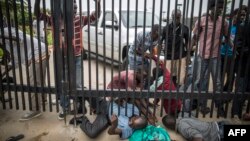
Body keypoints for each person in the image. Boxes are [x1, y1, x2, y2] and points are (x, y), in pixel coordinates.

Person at [58, 0, 101, 120]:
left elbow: (96, 15)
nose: (76, 9)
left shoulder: (79, 20)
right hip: (63, 57)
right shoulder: (58, 20)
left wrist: (97, 3)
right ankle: (65, 108)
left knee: (78, 84)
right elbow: (39, 15)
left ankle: (80, 106)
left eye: (76, 7)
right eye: (73, 7)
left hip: (77, 57)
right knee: (64, 84)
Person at [0, 27, 50, 121]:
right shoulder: (5, 44)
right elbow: (16, 59)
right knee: (39, 79)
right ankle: (43, 99)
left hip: (38, 51)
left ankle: (35, 110)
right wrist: (4, 72)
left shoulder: (5, 31)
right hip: (40, 50)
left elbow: (20, 39)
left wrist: (3, 37)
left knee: (33, 82)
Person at [192, 0, 228, 116]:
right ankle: (202, 105)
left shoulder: (223, 22)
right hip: (202, 56)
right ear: (212, 8)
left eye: (222, 8)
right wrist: (190, 48)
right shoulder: (202, 20)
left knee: (217, 82)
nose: (220, 10)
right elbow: (194, 35)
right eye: (218, 8)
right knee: (201, 80)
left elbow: (227, 36)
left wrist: (232, 46)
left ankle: (219, 105)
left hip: (215, 56)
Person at [79, 98, 148, 139]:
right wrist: (118, 100)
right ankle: (80, 106)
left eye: (133, 126)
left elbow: (110, 132)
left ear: (136, 129)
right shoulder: (135, 110)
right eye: (132, 120)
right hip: (106, 104)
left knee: (92, 133)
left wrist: (114, 125)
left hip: (105, 118)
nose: (130, 123)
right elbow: (122, 102)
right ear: (136, 116)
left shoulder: (128, 131)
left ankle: (82, 119)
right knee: (85, 91)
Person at [161, 9, 189, 87]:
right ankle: (170, 92)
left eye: (178, 17)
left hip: (181, 56)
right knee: (168, 76)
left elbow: (187, 43)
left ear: (180, 17)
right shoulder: (166, 28)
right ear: (171, 17)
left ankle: (179, 94)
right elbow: (160, 41)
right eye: (174, 17)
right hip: (169, 56)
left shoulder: (185, 28)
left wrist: (188, 55)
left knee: (181, 78)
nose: (176, 19)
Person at [231, 6, 250, 123]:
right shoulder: (244, 26)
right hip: (244, 64)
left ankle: (245, 111)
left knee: (247, 88)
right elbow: (238, 45)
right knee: (241, 88)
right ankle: (235, 113)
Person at [162, 112, 228, 141]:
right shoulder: (182, 115)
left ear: (170, 127)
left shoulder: (181, 126)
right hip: (219, 125)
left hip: (218, 134)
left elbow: (198, 137)